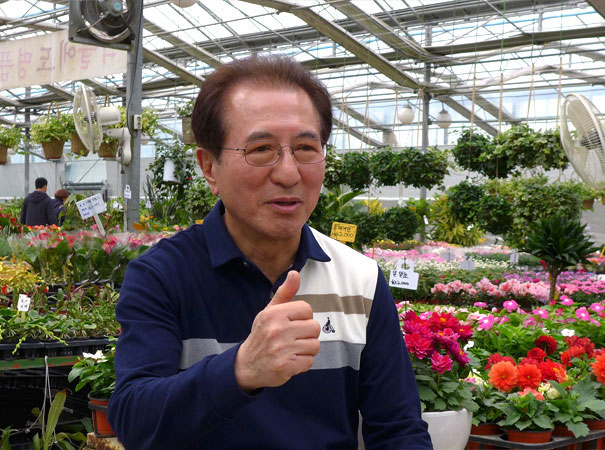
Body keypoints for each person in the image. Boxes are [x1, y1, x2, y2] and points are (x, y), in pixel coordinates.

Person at [108, 55, 432, 450]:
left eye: (306, 148)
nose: (289, 173)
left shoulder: (357, 279)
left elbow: (399, 430)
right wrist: (240, 370)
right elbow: (135, 420)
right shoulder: (163, 276)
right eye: (261, 149)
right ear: (209, 167)